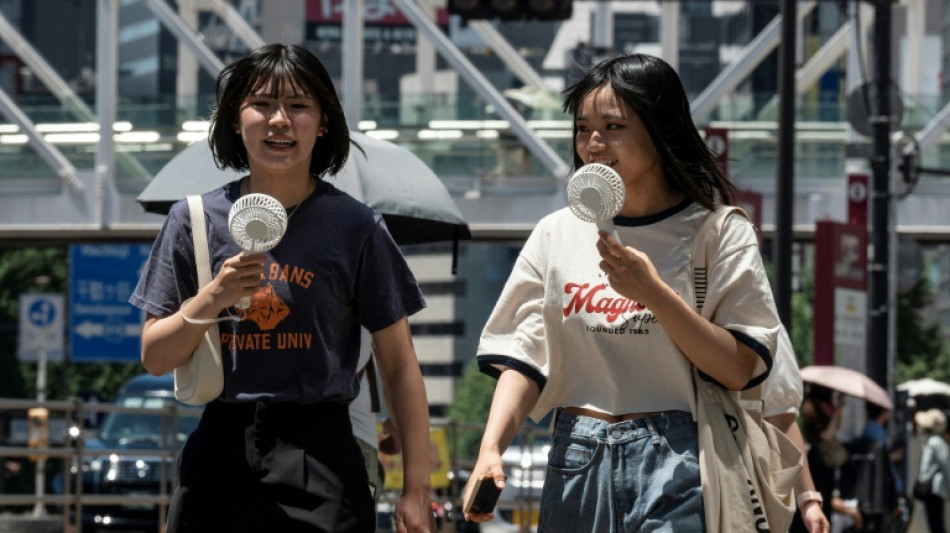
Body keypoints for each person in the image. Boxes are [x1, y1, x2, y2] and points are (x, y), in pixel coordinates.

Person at [462, 53, 793, 531]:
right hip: (576, 454)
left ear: (660, 129)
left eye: (613, 126)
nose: (593, 143)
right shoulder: (556, 233)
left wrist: (654, 293)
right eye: (582, 128)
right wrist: (491, 447)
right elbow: (524, 355)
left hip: (679, 456)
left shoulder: (717, 233)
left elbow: (739, 367)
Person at [129, 43, 432, 533]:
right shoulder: (194, 221)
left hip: (322, 452)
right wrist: (212, 299)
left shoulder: (356, 227)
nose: (279, 120)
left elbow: (398, 363)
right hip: (220, 449)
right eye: (262, 104)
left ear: (324, 121)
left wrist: (417, 489)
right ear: (234, 119)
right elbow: (154, 356)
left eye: (298, 106)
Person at [915, 408, 950, 533]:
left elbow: (946, 465)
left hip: (935, 489)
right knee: (935, 523)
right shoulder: (932, 441)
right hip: (933, 489)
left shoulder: (935, 442)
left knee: (936, 523)